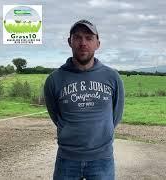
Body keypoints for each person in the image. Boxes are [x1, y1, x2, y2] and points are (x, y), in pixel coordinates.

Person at [44, 19, 124, 180]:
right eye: (77, 37)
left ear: (97, 43)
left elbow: (115, 115)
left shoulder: (112, 77)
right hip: (67, 159)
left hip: (102, 159)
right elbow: (56, 115)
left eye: (89, 38)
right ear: (70, 42)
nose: (83, 43)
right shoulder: (54, 79)